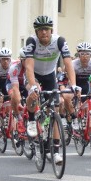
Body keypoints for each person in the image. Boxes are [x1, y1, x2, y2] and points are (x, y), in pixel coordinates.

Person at [23, 15, 78, 165]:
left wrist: (73, 85)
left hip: (49, 76)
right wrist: (33, 85)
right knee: (33, 94)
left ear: (51, 30)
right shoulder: (31, 42)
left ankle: (55, 151)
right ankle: (32, 119)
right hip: (33, 75)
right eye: (40, 30)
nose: (44, 33)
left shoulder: (59, 41)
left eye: (46, 29)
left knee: (55, 109)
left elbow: (68, 63)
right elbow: (28, 66)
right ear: (36, 32)